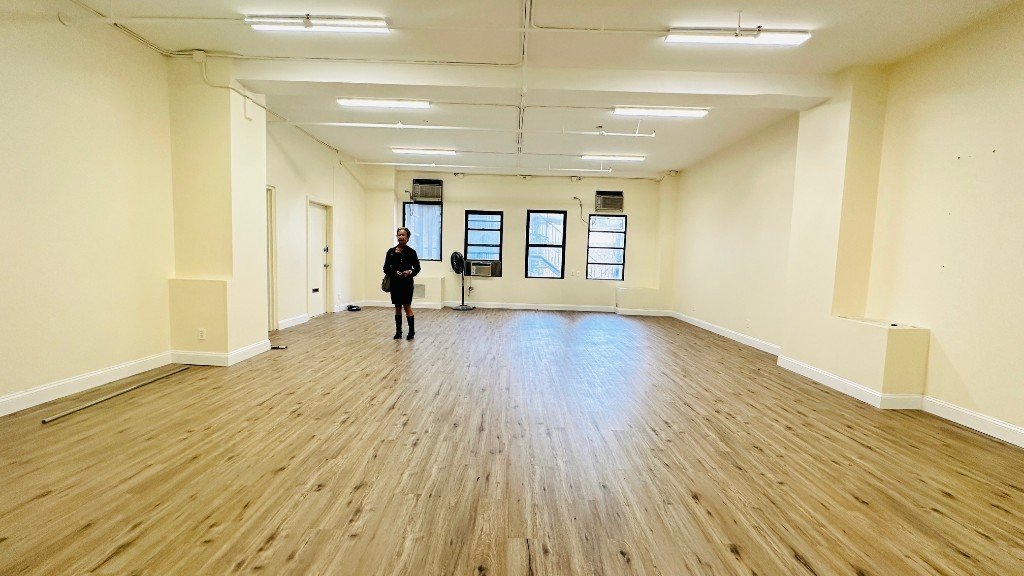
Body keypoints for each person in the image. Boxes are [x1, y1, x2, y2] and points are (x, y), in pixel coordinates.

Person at [382, 227, 421, 340]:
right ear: (397, 236)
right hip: (395, 283)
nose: (401, 237)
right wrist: (395, 272)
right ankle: (398, 332)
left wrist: (410, 272)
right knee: (397, 307)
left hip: (407, 283)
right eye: (399, 235)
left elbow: (417, 268)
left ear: (407, 238)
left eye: (403, 235)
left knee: (407, 307)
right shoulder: (391, 252)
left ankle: (411, 331)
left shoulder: (411, 252)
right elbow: (385, 268)